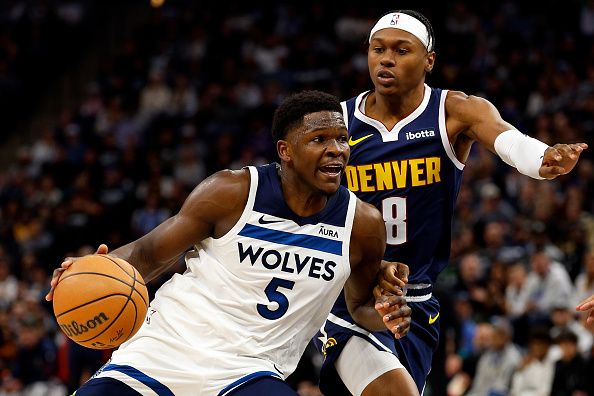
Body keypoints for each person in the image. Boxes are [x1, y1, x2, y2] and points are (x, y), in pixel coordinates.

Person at [45, 90, 418, 396]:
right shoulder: (233, 192)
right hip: (161, 350)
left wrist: (388, 316)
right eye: (319, 140)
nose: (336, 149)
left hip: (249, 370)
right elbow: (146, 254)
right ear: (285, 151)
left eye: (341, 139)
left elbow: (359, 307)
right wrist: (90, 270)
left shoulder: (363, 225)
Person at [315, 9, 588, 396]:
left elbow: (509, 141)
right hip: (350, 297)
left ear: (429, 60)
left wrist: (545, 159)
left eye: (401, 50)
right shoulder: (337, 122)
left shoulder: (454, 111)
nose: (386, 59)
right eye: (377, 49)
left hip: (417, 302)